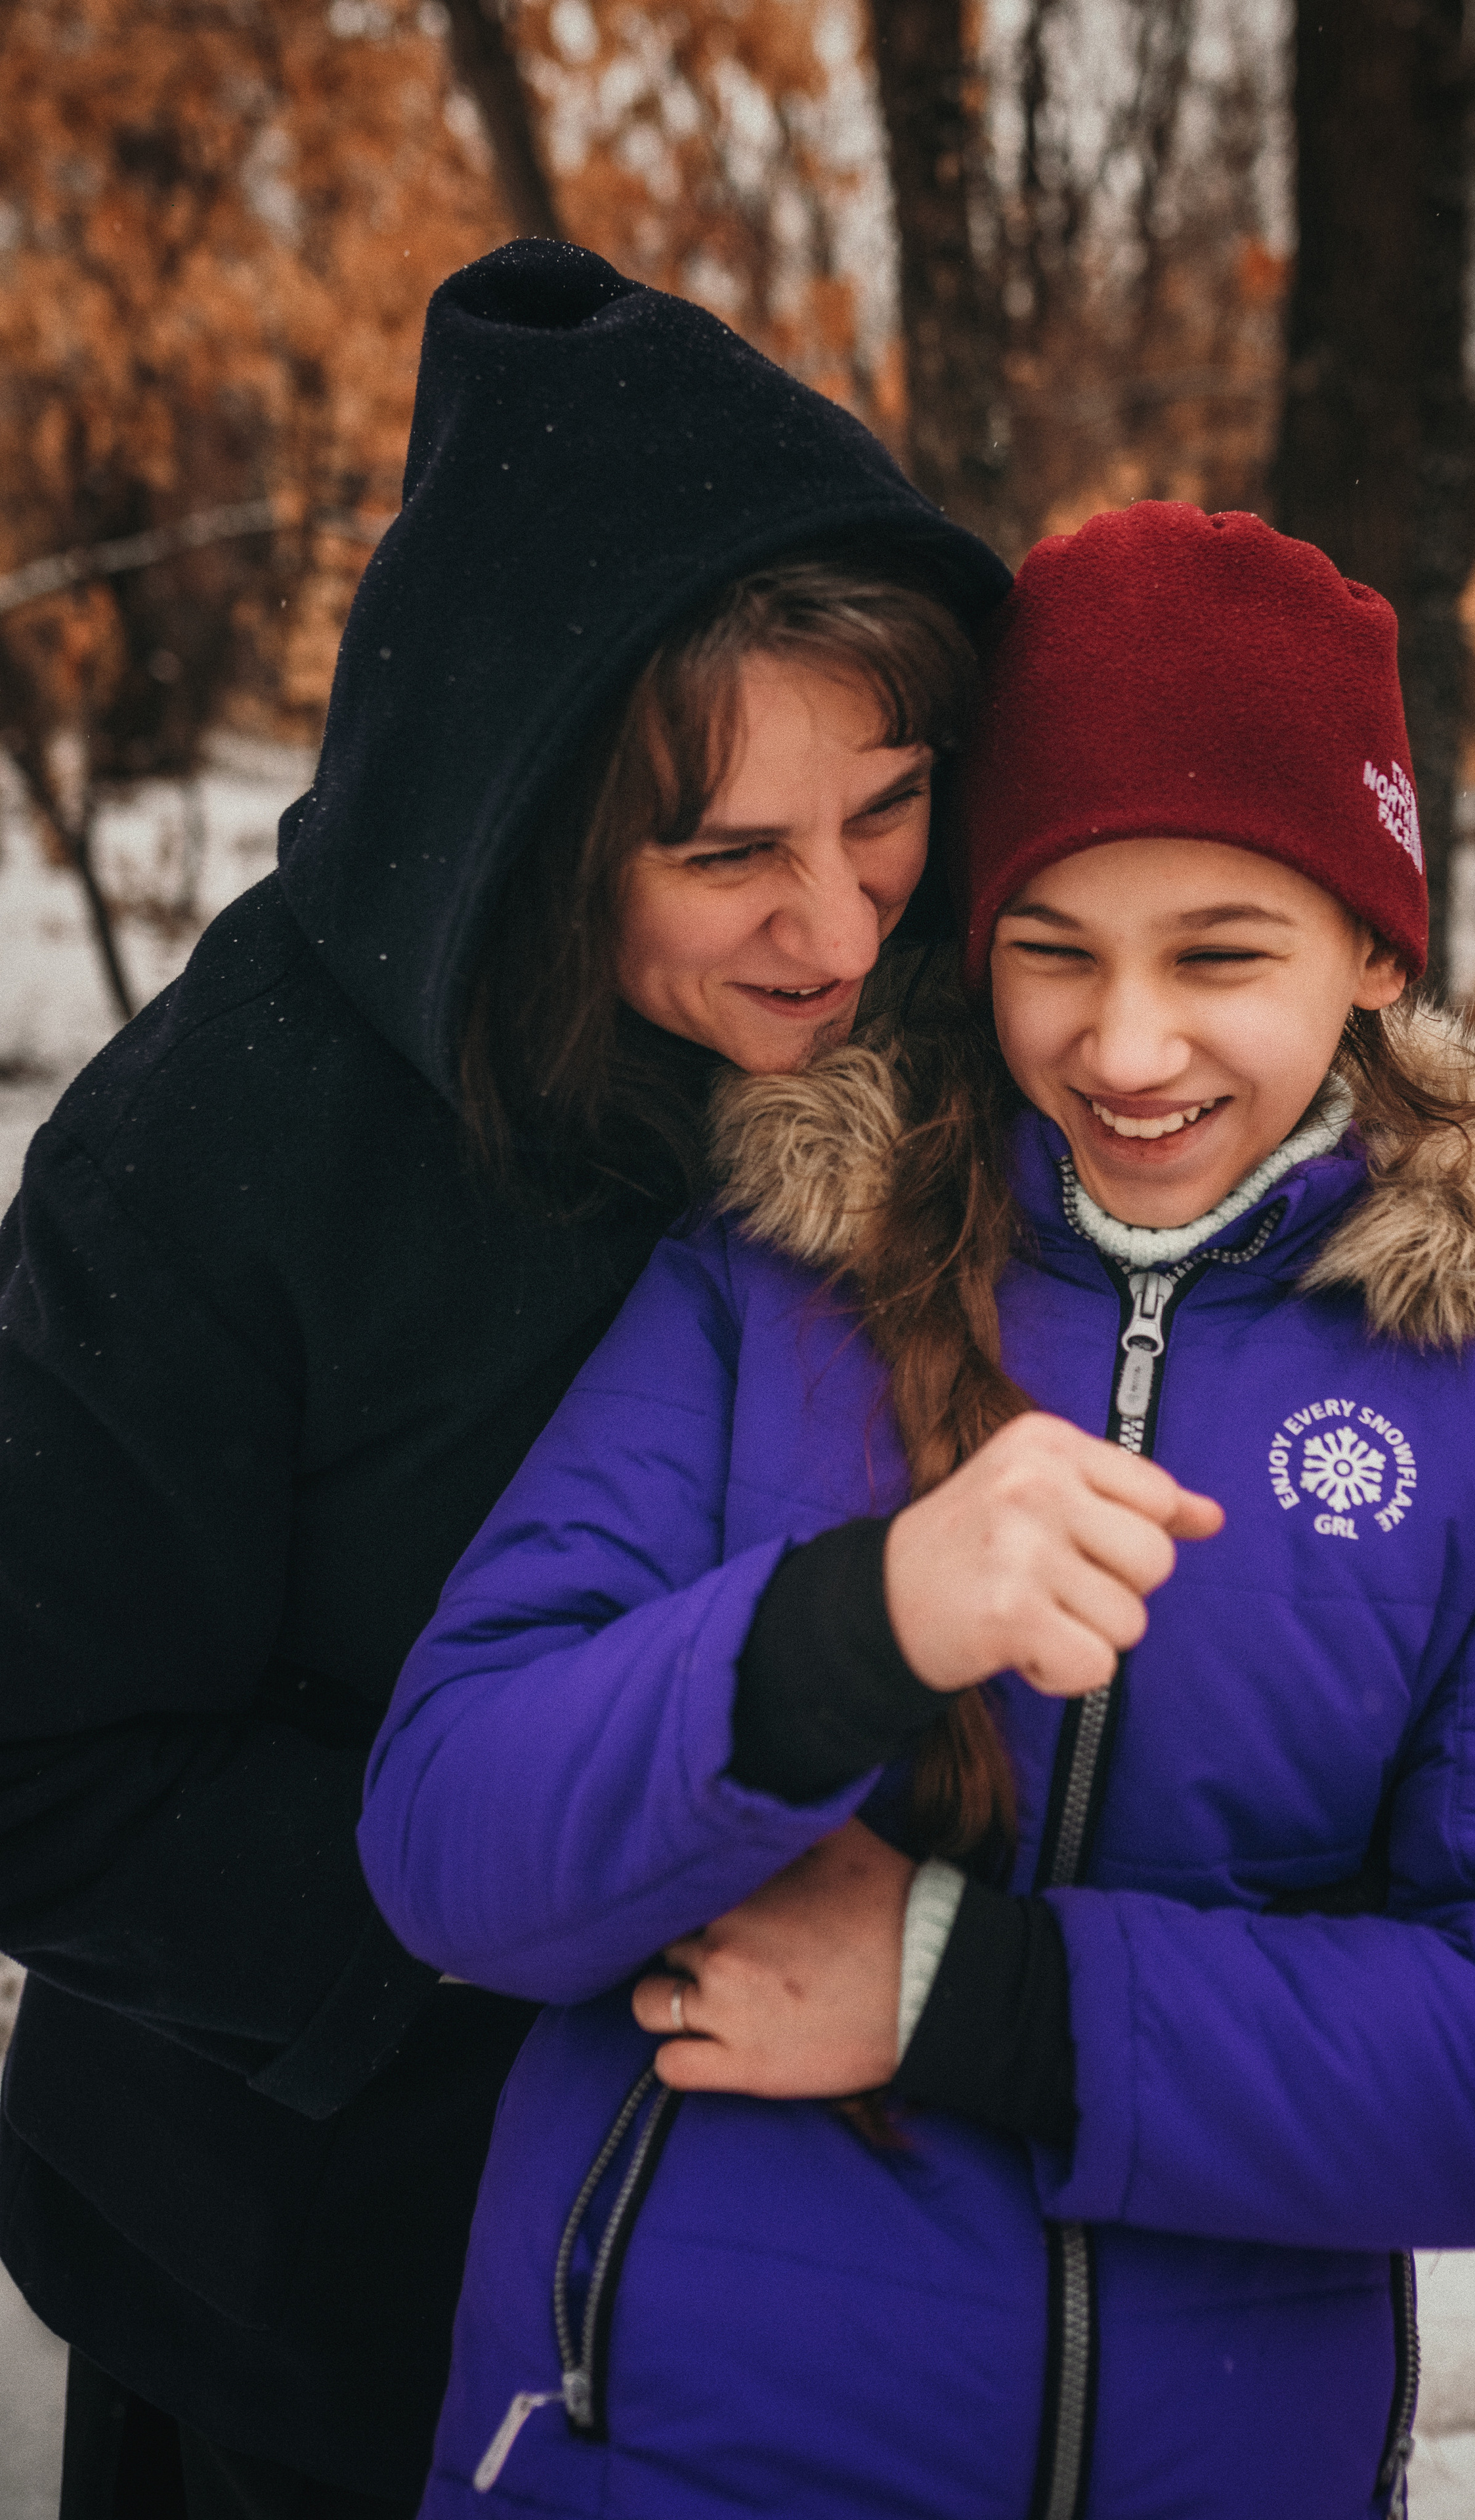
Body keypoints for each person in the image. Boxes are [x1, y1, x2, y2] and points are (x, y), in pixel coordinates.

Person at [359, 501, 1475, 2520]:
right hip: (663, 2463)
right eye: (1051, 954)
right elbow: (448, 1839)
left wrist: (973, 1998)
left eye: (1221, 956)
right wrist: (853, 1628)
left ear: (1377, 949)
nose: (1125, 1046)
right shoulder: (771, 1271)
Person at [0, 238, 1008, 2519]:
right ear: (532, 819)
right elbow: (35, 1757)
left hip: (774, 2313)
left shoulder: (927, 1036)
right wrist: (553, 1882)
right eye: (728, 851)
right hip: (302, 2283)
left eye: (887, 812)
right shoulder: (218, 1158)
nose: (838, 927)